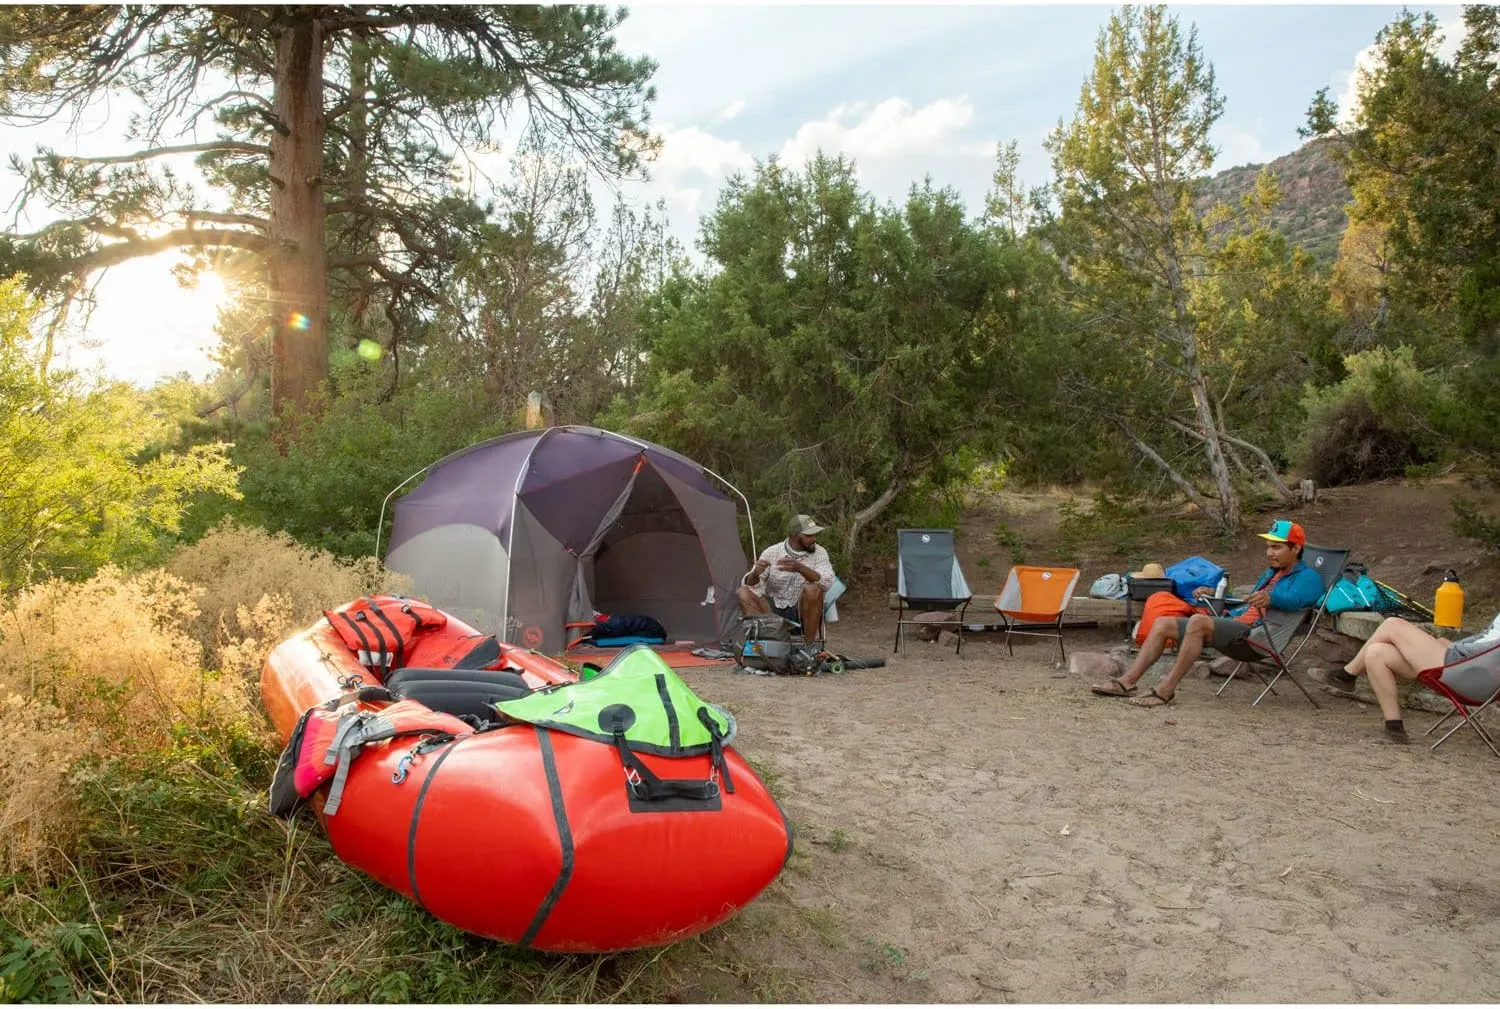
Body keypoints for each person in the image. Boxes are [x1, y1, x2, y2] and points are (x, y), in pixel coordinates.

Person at [1091, 519, 1327, 708]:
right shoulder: (1271, 573)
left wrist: (1272, 598)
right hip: (1237, 625)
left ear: (1295, 548)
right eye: (1268, 546)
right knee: (1162, 623)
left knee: (1198, 622)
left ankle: (1166, 689)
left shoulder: (1309, 578)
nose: (1269, 552)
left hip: (1257, 637)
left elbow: (1298, 601)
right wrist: (1215, 594)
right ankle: (1127, 683)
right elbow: (1245, 603)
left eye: (1276, 547)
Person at [1314, 611, 1500, 744]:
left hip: (1464, 672)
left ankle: (1347, 675)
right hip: (1465, 667)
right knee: (1376, 653)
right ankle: (1394, 728)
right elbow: (1485, 639)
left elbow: (1490, 649)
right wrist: (1452, 645)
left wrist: (1451, 649)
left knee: (1393, 625)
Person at [737, 514, 837, 643]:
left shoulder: (820, 552)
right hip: (771, 613)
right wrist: (756, 573)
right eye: (809, 535)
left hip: (801, 613)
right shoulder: (772, 552)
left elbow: (827, 581)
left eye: (814, 535)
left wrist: (800, 568)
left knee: (813, 589)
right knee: (743, 593)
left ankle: (809, 647)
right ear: (795, 535)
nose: (814, 539)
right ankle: (764, 642)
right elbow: (752, 585)